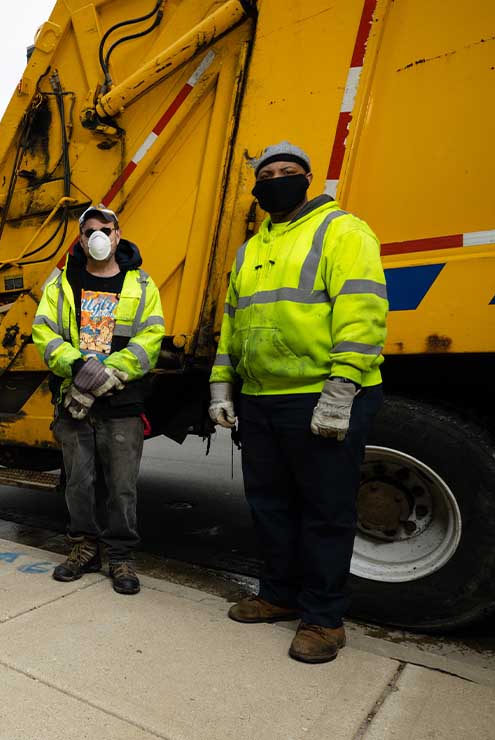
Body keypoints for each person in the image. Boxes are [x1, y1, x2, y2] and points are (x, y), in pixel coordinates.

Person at [210, 142, 387, 663]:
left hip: (320, 394)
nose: (276, 180)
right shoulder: (252, 249)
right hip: (262, 397)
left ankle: (324, 619)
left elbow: (364, 313)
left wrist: (341, 389)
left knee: (325, 510)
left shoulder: (341, 230)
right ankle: (279, 595)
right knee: (269, 505)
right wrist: (222, 387)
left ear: (307, 179)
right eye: (266, 174)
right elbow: (232, 324)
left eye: (287, 172)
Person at [32, 205, 165, 595]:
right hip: (74, 401)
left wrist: (111, 373)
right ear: (81, 237)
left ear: (118, 235)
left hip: (122, 404)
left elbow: (151, 338)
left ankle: (120, 555)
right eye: (89, 230)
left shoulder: (141, 284)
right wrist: (79, 369)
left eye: (104, 228)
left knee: (122, 485)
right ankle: (83, 548)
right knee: (79, 482)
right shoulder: (61, 284)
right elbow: (45, 334)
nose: (97, 235)